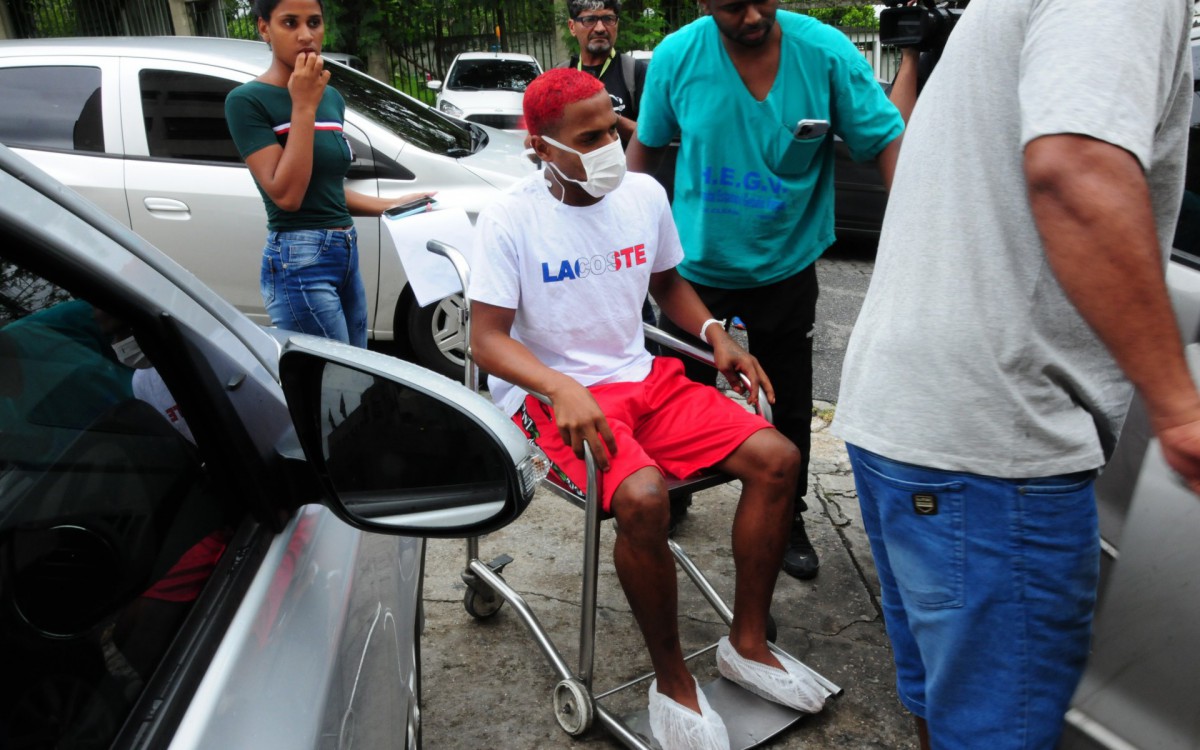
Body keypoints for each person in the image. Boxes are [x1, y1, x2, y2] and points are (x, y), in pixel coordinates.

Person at [832, 2, 1200, 748]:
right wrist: (1180, 409)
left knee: (951, 715)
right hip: (990, 444)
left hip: (907, 421)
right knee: (998, 730)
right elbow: (1074, 171)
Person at [469, 68, 827, 750]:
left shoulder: (642, 193)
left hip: (644, 379)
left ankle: (746, 645)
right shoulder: (511, 218)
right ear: (541, 147)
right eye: (591, 136)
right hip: (556, 396)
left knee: (779, 459)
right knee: (640, 501)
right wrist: (556, 385)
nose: (611, 144)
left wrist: (715, 333)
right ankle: (674, 683)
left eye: (612, 126)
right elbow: (486, 339)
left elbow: (665, 279)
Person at [627, 0, 905, 580]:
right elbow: (644, 155)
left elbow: (885, 141)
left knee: (789, 402)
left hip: (786, 263)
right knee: (676, 395)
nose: (752, 16)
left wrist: (913, 239)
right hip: (695, 270)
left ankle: (789, 515)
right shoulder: (678, 57)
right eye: (732, 6)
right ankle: (671, 497)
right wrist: (622, 244)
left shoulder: (825, 52)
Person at [225, 0, 431, 347]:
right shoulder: (247, 101)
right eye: (290, 23)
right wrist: (302, 105)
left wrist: (390, 204)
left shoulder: (331, 98)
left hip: (344, 249)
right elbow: (288, 196)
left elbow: (324, 188)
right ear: (264, 28)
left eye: (314, 22)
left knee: (359, 371)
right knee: (331, 384)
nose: (306, 35)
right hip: (299, 258)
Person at [557, 0, 646, 147]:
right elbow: (533, 145)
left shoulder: (635, 72)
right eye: (589, 20)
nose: (600, 28)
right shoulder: (559, 77)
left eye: (608, 19)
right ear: (572, 27)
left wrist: (610, 118)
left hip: (623, 169)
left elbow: (652, 137)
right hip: (576, 169)